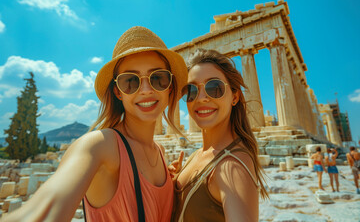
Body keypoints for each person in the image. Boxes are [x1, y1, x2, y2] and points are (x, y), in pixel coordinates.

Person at [3, 26, 188, 222]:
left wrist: (170, 184)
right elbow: (44, 210)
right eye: (130, 81)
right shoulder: (99, 146)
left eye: (158, 78)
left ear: (170, 86)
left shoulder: (160, 152)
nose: (145, 90)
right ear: (118, 92)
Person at [171, 48, 268, 222]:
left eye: (214, 87)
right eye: (191, 90)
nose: (201, 98)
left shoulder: (232, 166)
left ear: (235, 96)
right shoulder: (197, 154)